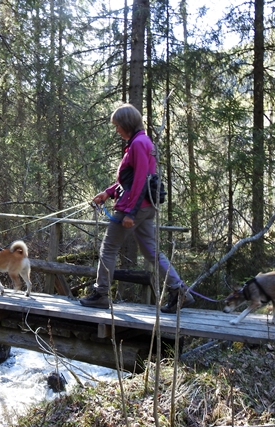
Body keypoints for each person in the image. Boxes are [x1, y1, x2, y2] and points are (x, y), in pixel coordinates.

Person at [80, 103, 194, 313]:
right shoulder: (140, 142)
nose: (116, 130)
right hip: (144, 206)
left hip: (134, 208)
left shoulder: (139, 143)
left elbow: (142, 178)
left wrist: (130, 213)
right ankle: (179, 290)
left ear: (126, 123)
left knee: (108, 249)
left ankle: (101, 294)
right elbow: (131, 179)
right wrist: (108, 192)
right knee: (151, 251)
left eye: (117, 126)